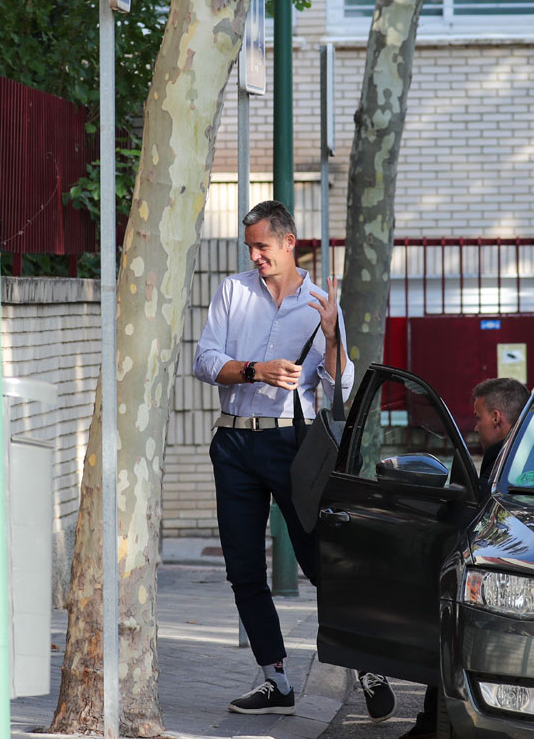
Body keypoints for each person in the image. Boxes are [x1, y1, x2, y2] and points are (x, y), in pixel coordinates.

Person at [193, 200, 395, 720]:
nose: (255, 256)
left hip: (292, 445)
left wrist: (331, 337)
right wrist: (256, 369)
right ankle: (275, 679)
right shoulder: (233, 291)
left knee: (319, 560)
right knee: (243, 567)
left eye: (262, 246)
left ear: (288, 241)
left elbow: (339, 384)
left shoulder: (320, 301)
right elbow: (205, 360)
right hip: (235, 443)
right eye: (250, 248)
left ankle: (365, 664)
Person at [399, 377, 530, 739]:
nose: (475, 426)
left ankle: (432, 726)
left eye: (478, 417)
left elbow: (480, 518)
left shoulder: (501, 459)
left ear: (498, 418)